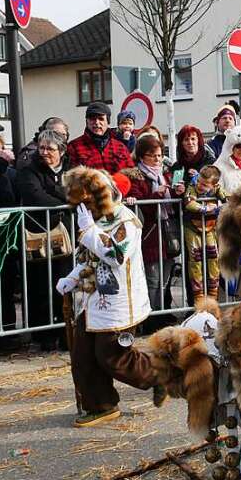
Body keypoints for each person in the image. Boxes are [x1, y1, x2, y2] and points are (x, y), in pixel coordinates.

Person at [57, 167, 156, 426]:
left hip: (117, 303)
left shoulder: (126, 221)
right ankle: (101, 404)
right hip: (89, 302)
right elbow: (88, 257)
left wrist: (90, 231)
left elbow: (116, 257)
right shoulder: (95, 219)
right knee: (83, 357)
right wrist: (73, 277)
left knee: (113, 357)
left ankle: (161, 374)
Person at [16, 130, 72, 351]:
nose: (45, 152)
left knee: (66, 282)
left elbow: (77, 193)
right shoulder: (29, 169)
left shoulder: (71, 168)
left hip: (65, 234)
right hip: (38, 234)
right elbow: (34, 195)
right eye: (42, 148)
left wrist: (56, 191)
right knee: (41, 284)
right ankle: (44, 335)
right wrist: (62, 198)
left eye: (50, 148)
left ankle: (66, 331)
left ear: (61, 151)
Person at [124, 136, 184, 317]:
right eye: (152, 156)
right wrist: (155, 195)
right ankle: (150, 316)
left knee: (165, 279)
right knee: (152, 279)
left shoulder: (165, 176)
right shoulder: (136, 177)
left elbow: (173, 205)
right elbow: (140, 207)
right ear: (142, 157)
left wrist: (177, 192)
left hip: (167, 235)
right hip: (149, 236)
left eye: (159, 155)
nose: (157, 159)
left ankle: (163, 313)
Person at [182, 165, 225, 305]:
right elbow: (189, 203)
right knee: (196, 261)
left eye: (205, 184)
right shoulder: (192, 186)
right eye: (199, 181)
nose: (200, 186)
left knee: (213, 259)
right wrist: (205, 208)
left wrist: (220, 204)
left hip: (210, 228)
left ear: (214, 185)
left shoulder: (217, 189)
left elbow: (228, 199)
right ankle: (198, 299)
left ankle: (213, 298)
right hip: (192, 228)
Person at [66, 102, 135, 173]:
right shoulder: (74, 147)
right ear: (87, 121)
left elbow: (131, 174)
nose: (96, 122)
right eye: (92, 119)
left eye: (101, 119)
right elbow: (70, 178)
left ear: (108, 121)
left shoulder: (120, 147)